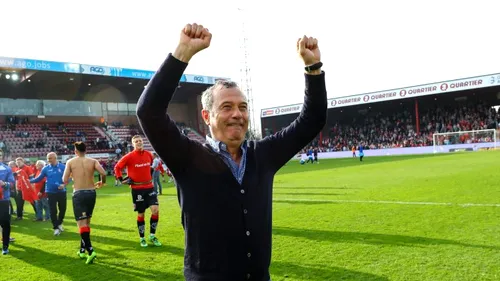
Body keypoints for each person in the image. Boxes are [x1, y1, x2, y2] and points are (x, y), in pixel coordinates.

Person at [136, 23, 327, 281]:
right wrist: (182, 53)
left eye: (243, 107)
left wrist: (312, 68)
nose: (237, 114)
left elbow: (312, 121)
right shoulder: (188, 157)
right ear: (207, 116)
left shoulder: (264, 155)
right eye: (226, 107)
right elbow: (149, 112)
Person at [113, 135, 162, 248]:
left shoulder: (149, 154)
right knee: (141, 213)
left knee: (155, 210)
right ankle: (142, 238)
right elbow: (117, 167)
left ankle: (152, 236)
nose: (139, 143)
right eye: (136, 141)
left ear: (143, 142)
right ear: (133, 144)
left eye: (140, 141)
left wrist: (147, 177)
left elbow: (150, 168)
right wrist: (121, 179)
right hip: (137, 189)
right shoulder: (129, 156)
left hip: (149, 187)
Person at [63, 142, 107, 264]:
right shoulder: (93, 161)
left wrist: (72, 175)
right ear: (85, 150)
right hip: (91, 193)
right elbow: (103, 173)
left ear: (75, 151)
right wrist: (102, 183)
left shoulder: (70, 162)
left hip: (79, 194)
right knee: (86, 222)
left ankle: (91, 251)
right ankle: (82, 250)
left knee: (81, 224)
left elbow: (64, 179)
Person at [30, 152, 68, 236]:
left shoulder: (63, 167)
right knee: (52, 210)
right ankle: (55, 228)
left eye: (50, 158)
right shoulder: (45, 168)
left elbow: (69, 178)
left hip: (61, 191)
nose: (48, 160)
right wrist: (29, 181)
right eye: (48, 158)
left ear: (55, 158)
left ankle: (60, 222)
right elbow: (39, 178)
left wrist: (64, 184)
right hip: (50, 192)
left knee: (63, 209)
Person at [0, 150, 15, 255]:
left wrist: (3, 183)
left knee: (5, 223)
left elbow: (12, 184)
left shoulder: (6, 168)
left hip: (3, 200)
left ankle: (5, 246)